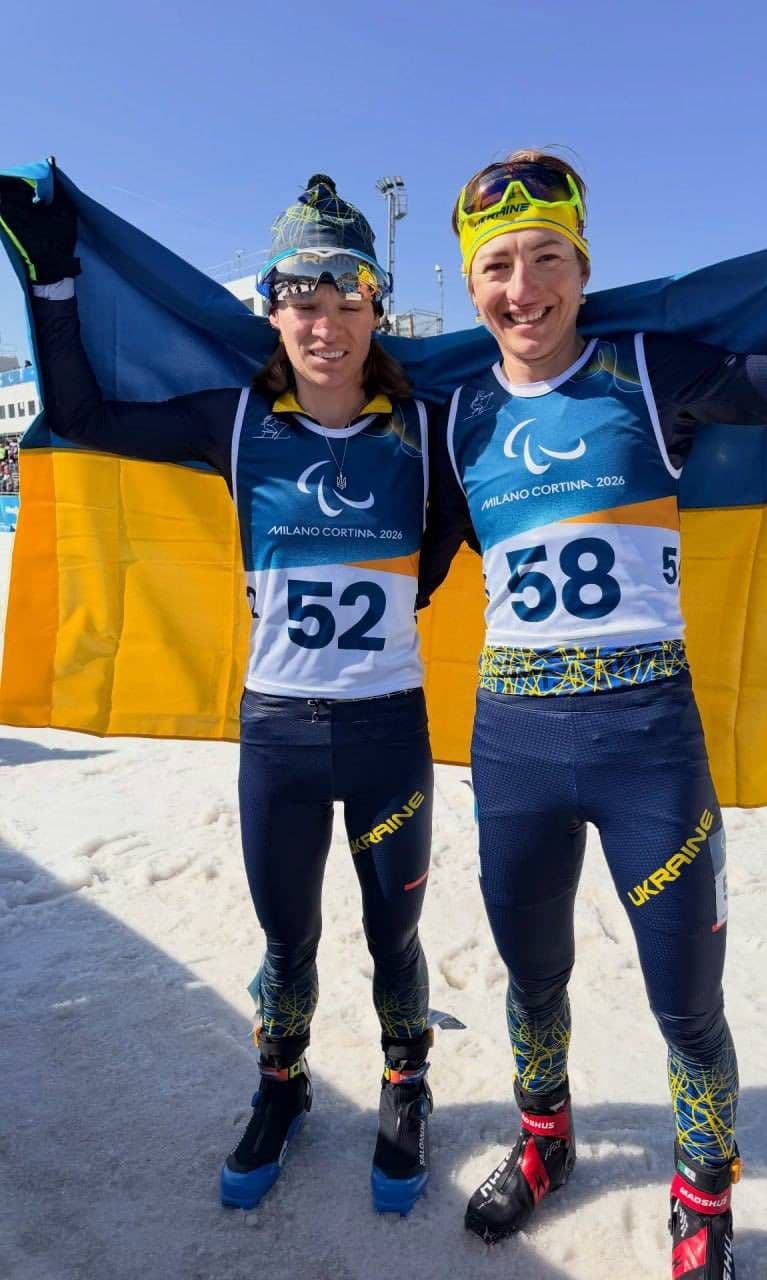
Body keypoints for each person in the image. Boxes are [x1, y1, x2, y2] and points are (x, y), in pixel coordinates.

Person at [417, 100, 767, 1275]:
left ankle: (703, 1197)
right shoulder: (452, 415)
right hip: (512, 741)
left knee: (685, 1000)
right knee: (533, 972)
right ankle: (546, 1136)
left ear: (583, 267)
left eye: (547, 258)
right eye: (497, 268)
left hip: (646, 743)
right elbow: (350, 487)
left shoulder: (650, 372)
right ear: (473, 289)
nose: (524, 288)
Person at [0, 172, 438, 1214]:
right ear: (273, 307)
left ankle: (405, 1084)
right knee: (287, 937)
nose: (324, 319)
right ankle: (281, 1089)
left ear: (376, 303)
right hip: (281, 729)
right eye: (301, 294)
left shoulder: (428, 420)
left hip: (387, 731)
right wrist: (52, 275)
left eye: (346, 294)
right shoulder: (237, 421)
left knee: (394, 934)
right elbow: (81, 412)